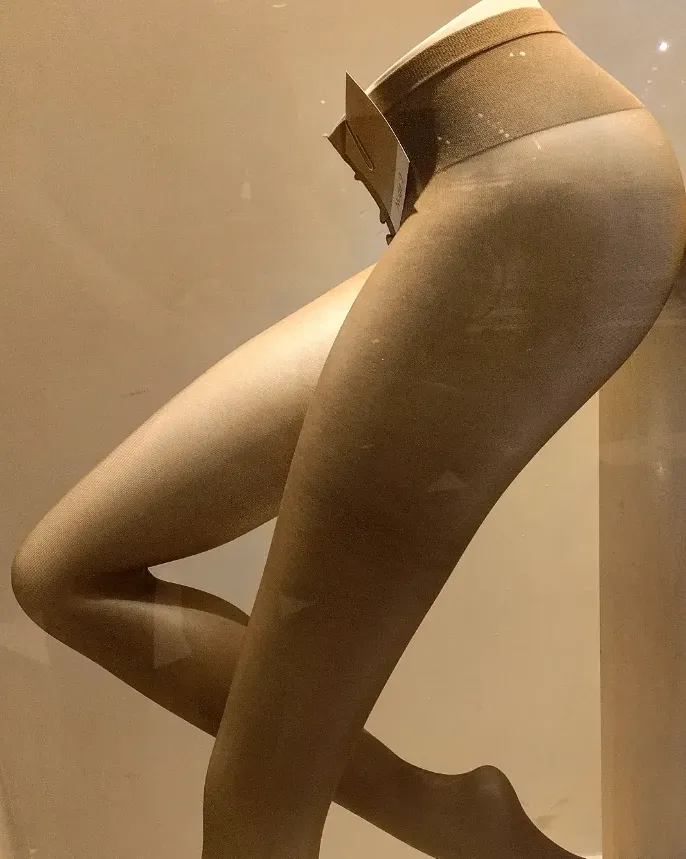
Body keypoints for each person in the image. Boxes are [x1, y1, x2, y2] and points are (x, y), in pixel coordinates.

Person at [11, 1, 686, 857]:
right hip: (480, 178)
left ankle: (457, 822)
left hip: (539, 167)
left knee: (255, 810)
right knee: (62, 571)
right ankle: (454, 816)